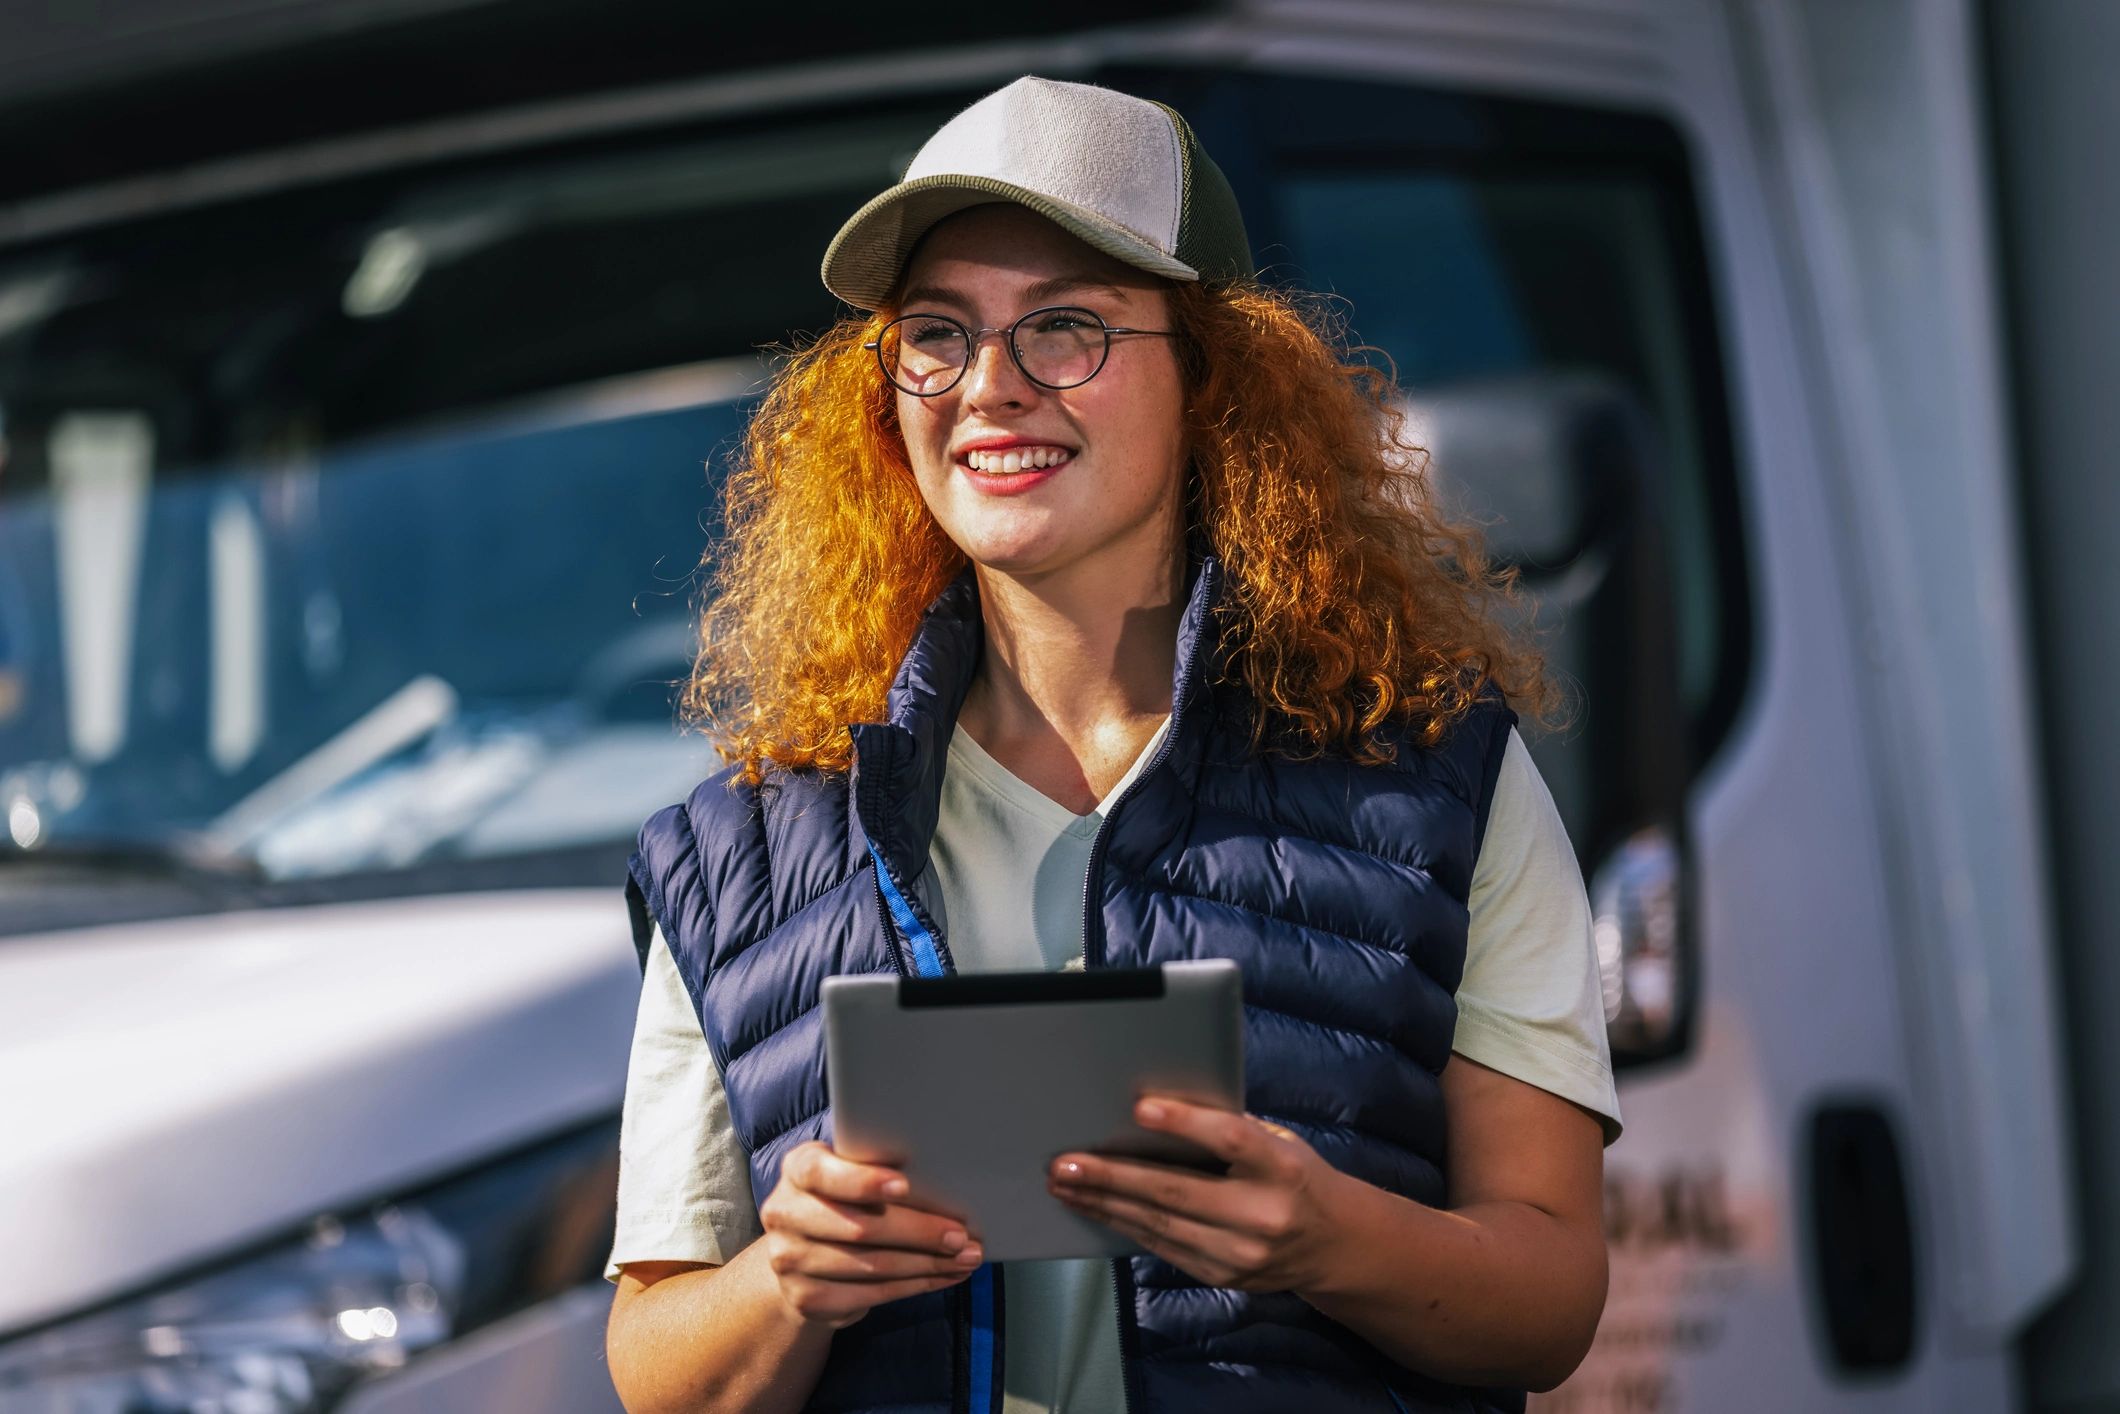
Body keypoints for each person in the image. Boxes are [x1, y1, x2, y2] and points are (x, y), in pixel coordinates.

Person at [603, 76, 1619, 1414]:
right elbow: (656, 1364)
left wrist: (1329, 1238)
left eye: (1065, 329)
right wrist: (788, 1274)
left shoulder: (1439, 777)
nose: (989, 389)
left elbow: (1549, 1296)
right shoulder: (736, 850)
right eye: (936, 335)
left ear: (1215, 376)